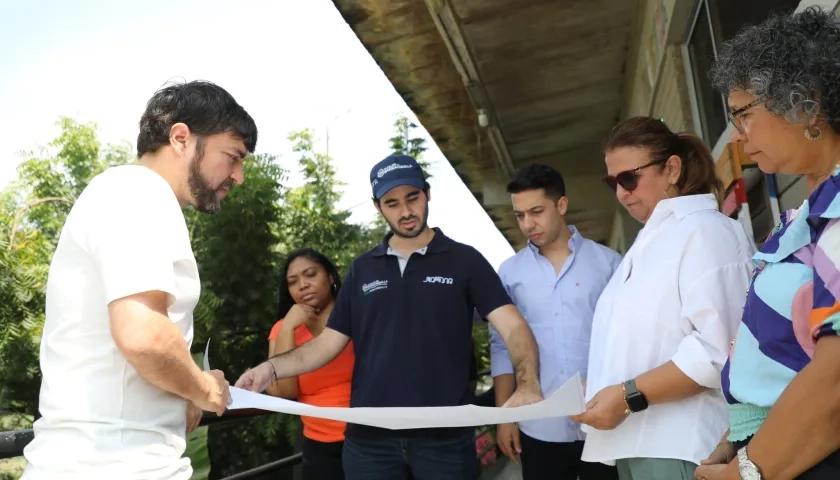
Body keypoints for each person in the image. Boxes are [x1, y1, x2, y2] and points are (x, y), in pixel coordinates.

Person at [236, 154, 543, 480]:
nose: (406, 211)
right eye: (392, 203)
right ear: (378, 207)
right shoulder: (363, 268)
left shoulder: (464, 261)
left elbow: (512, 326)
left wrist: (527, 384)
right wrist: (271, 368)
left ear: (427, 193)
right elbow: (326, 343)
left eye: (412, 197)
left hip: (444, 441)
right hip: (370, 443)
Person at [21, 80, 256, 479]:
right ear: (181, 137)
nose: (239, 176)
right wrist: (203, 388)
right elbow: (143, 334)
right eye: (233, 157)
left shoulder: (129, 195)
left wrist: (182, 390)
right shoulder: (138, 191)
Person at [694, 7, 840, 480]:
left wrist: (747, 472)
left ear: (807, 104)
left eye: (744, 116)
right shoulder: (806, 216)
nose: (738, 139)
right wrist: (737, 434)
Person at [570, 116, 754, 480]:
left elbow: (718, 350)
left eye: (629, 178)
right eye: (613, 183)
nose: (622, 193)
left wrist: (627, 396)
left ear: (671, 169)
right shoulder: (652, 239)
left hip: (683, 444)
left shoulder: (705, 231)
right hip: (639, 441)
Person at [490, 163, 622, 480]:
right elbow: (501, 347)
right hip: (539, 425)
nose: (527, 224)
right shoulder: (509, 273)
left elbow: (624, 339)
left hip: (600, 420)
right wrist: (504, 417)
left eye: (536, 211)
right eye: (519, 215)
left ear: (561, 205)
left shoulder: (608, 264)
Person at [266, 248, 354, 480]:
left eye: (311, 274)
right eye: (293, 282)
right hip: (319, 445)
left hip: (370, 439)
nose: (302, 285)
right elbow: (285, 392)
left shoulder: (357, 315)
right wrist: (288, 328)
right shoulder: (282, 330)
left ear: (331, 277)